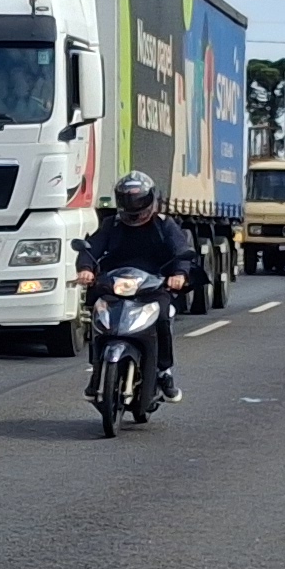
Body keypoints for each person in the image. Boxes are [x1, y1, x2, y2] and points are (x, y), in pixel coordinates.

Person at [72, 171, 195, 404]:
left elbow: (181, 251)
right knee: (98, 313)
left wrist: (178, 274)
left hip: (153, 285)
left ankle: (164, 372)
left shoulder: (164, 224)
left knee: (163, 316)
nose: (133, 206)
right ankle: (98, 370)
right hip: (115, 284)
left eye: (138, 200)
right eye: (128, 200)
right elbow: (92, 248)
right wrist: (86, 269)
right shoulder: (112, 224)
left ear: (150, 199)